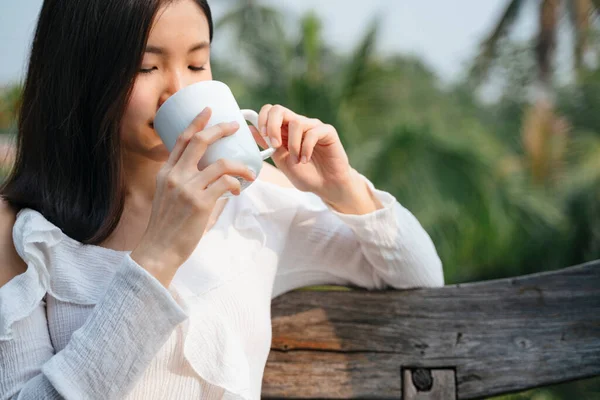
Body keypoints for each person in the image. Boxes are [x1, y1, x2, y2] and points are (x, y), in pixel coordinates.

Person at [0, 0, 444, 399]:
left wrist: (342, 188)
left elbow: (420, 277)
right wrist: (158, 256)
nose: (178, 90)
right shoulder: (22, 232)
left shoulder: (250, 200)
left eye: (197, 64)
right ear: (78, 75)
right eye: (145, 67)